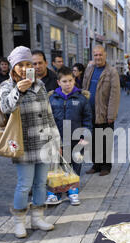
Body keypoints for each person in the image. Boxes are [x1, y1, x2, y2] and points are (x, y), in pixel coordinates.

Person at [0, 46, 61, 239]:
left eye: (29, 64)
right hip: (23, 143)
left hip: (43, 142)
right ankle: (19, 222)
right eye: (21, 65)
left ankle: (38, 218)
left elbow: (49, 114)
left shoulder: (40, 85)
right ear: (13, 67)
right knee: (24, 185)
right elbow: (5, 108)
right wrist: (18, 90)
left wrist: (56, 140)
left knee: (41, 183)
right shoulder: (7, 86)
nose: (25, 68)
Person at [47, 66, 92, 206]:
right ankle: (54, 193)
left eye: (70, 80)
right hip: (57, 140)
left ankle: (73, 192)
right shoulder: (52, 98)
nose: (68, 84)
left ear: (74, 81)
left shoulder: (81, 98)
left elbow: (88, 120)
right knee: (56, 167)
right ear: (58, 82)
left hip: (76, 140)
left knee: (75, 167)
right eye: (64, 81)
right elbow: (48, 120)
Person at [82, 45, 121, 176]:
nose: (98, 57)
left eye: (100, 54)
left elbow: (114, 95)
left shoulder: (112, 72)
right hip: (90, 112)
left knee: (105, 141)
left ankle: (106, 166)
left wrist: (111, 114)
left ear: (105, 55)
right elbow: (83, 89)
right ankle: (96, 164)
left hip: (104, 113)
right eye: (95, 55)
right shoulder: (89, 70)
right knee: (93, 140)